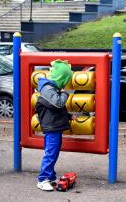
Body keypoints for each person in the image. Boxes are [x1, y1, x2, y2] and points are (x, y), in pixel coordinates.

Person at [35, 59, 73, 191]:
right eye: (66, 80)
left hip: (54, 126)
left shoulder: (51, 88)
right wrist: (66, 92)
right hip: (51, 127)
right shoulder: (47, 88)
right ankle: (43, 179)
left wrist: (68, 116)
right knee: (51, 152)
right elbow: (58, 103)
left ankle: (50, 176)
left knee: (54, 152)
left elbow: (55, 109)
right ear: (62, 78)